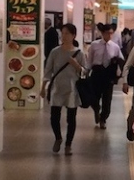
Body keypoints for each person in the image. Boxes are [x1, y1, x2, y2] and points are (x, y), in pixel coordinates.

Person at [41, 22, 85, 154]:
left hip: (72, 89)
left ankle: (68, 144)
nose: (64, 36)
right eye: (63, 33)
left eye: (67, 33)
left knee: (71, 118)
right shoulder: (55, 52)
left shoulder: (79, 54)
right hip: (57, 88)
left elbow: (85, 72)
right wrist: (43, 87)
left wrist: (76, 65)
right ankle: (58, 138)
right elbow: (48, 70)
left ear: (74, 35)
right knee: (54, 117)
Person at [84, 22, 123, 128]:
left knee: (107, 99)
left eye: (111, 33)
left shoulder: (115, 47)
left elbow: (121, 60)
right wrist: (86, 71)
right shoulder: (94, 45)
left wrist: (119, 73)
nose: (109, 35)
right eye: (107, 33)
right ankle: (96, 110)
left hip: (108, 74)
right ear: (102, 33)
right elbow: (89, 60)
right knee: (94, 97)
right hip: (97, 73)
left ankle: (103, 119)